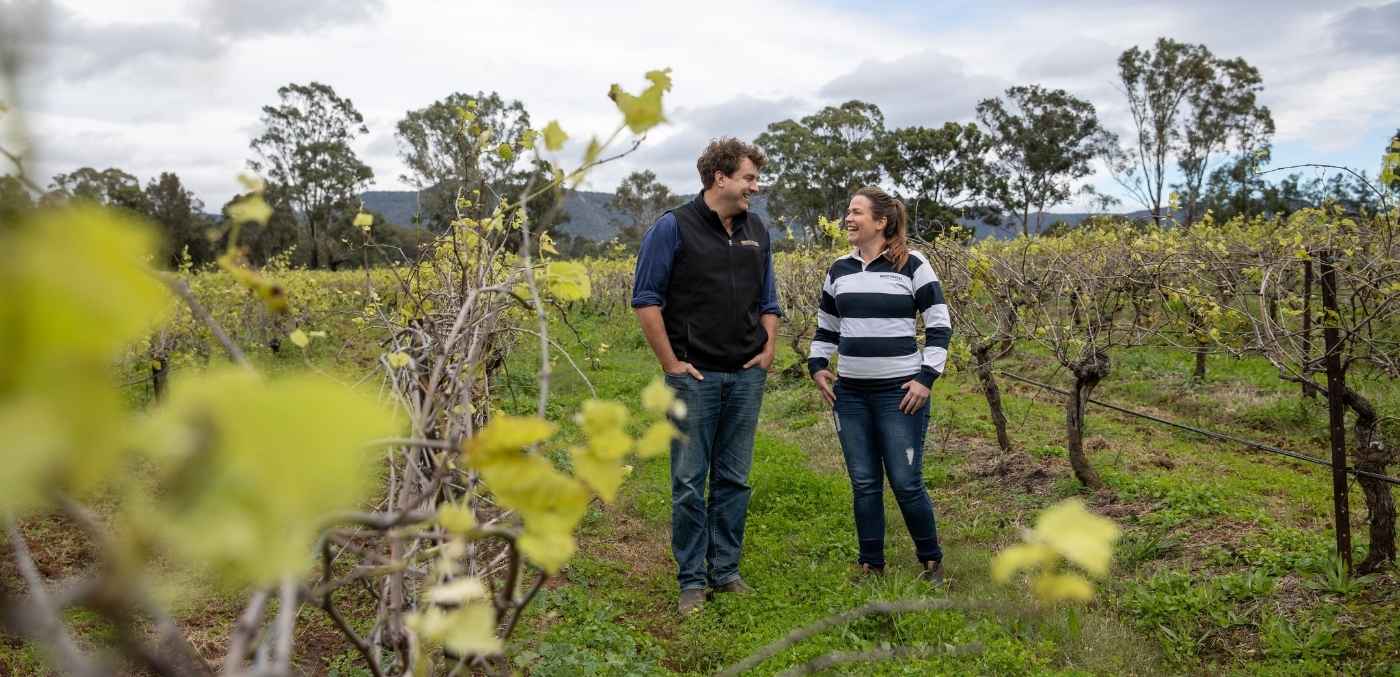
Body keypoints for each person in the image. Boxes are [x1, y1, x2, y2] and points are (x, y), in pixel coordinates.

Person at [631, 137, 781, 616]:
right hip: (694, 378)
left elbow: (768, 298)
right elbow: (646, 299)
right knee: (691, 482)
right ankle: (692, 579)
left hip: (745, 376)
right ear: (721, 177)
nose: (754, 188)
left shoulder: (757, 228)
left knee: (734, 479)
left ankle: (726, 570)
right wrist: (671, 364)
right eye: (748, 178)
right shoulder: (672, 228)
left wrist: (769, 347)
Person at [806, 185, 950, 583]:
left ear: (881, 221)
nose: (848, 219)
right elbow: (827, 327)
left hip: (899, 395)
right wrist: (817, 365)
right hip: (850, 395)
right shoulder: (839, 269)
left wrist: (926, 379)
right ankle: (871, 564)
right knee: (865, 482)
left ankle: (932, 561)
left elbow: (939, 326)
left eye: (856, 213)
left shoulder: (913, 265)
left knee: (905, 482)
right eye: (847, 213)